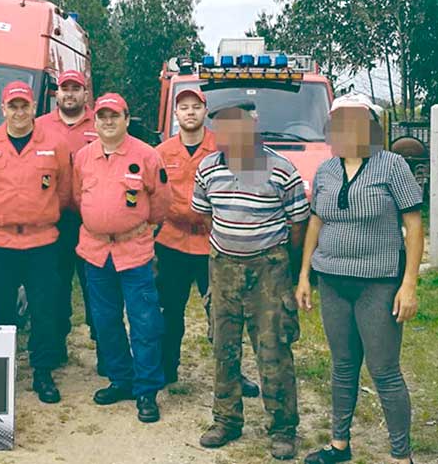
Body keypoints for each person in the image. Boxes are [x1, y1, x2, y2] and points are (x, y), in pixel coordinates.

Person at [297, 94, 422, 464]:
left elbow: (413, 227)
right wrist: (305, 275)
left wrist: (409, 284)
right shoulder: (326, 169)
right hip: (332, 281)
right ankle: (339, 446)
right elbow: (316, 222)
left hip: (378, 283)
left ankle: (402, 455)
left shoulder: (393, 166)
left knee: (384, 371)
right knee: (343, 367)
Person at [192, 102, 308, 460]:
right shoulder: (208, 168)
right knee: (224, 348)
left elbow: (298, 223)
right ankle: (226, 420)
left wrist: (279, 259)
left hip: (269, 271)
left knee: (273, 349)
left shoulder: (281, 168)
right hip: (223, 266)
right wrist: (231, 244)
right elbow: (205, 215)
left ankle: (283, 428)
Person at [73, 93, 172, 423]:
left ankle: (146, 390)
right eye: (102, 116)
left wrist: (134, 227)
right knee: (104, 320)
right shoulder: (84, 157)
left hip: (134, 250)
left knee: (144, 321)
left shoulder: (146, 156)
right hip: (96, 250)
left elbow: (160, 205)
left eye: (115, 115)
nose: (108, 121)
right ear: (95, 121)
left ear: (127, 120)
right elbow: (77, 197)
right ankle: (121, 380)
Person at [0, 81, 71, 404]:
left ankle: (42, 372)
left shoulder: (54, 146)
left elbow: (64, 190)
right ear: (3, 109)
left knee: (44, 309)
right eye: (12, 106)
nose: (18, 112)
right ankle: (0, 370)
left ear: (33, 109)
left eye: (24, 106)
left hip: (42, 241)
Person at [155, 89, 260, 397]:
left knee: (223, 312)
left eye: (196, 107)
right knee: (169, 309)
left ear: (205, 111)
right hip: (172, 242)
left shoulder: (224, 147)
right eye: (183, 107)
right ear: (176, 115)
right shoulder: (161, 152)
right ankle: (166, 367)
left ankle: (231, 373)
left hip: (213, 243)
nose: (190, 112)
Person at [36, 69, 99, 369]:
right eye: (65, 88)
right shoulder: (40, 126)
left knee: (94, 285)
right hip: (55, 218)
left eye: (76, 88)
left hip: (92, 219)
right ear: (56, 94)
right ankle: (56, 344)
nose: (70, 94)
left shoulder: (102, 122)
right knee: (55, 285)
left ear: (86, 94)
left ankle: (104, 346)